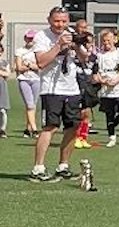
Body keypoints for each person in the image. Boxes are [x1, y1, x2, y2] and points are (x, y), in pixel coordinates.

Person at [28, 7, 89, 180]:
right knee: (51, 127)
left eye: (63, 21)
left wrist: (77, 44)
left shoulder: (71, 33)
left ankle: (63, 165)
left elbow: (84, 59)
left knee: (72, 127)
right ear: (49, 20)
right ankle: (38, 168)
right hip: (51, 89)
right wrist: (59, 45)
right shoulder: (42, 36)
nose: (60, 24)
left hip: (72, 88)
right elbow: (41, 62)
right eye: (56, 21)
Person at [92, 29, 119, 146]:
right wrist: (102, 80)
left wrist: (117, 80)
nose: (106, 43)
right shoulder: (99, 56)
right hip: (106, 90)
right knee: (109, 113)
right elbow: (95, 72)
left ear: (114, 40)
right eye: (104, 41)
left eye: (108, 40)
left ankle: (113, 125)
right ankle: (111, 136)